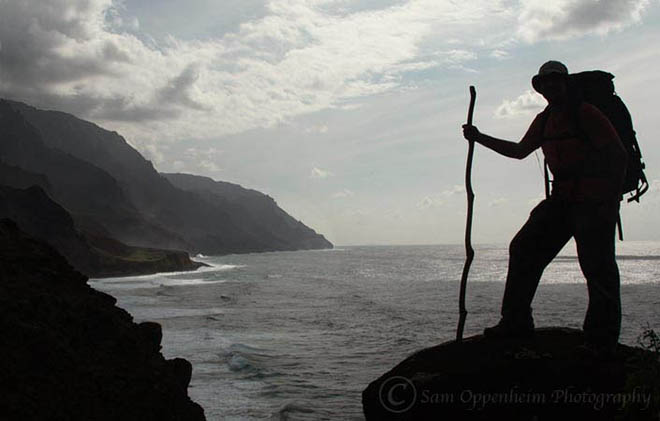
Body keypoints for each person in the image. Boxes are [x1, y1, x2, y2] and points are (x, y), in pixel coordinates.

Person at [462, 60, 628, 355]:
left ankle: (601, 340)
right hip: (562, 201)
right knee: (524, 248)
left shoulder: (586, 113)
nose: (550, 86)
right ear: (540, 88)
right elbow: (519, 151)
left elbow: (618, 155)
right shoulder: (545, 119)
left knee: (597, 268)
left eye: (556, 80)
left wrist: (609, 202)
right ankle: (515, 322)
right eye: (545, 82)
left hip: (593, 202)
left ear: (566, 83)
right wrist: (479, 137)